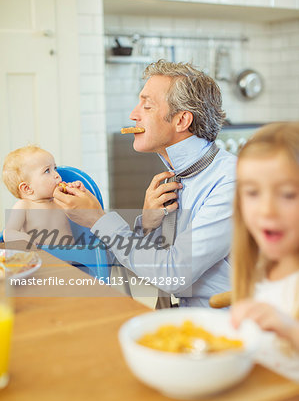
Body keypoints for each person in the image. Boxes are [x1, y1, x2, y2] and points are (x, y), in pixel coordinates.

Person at [54, 60, 237, 307]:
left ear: (182, 121)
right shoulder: (173, 177)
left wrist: (97, 220)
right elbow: (150, 269)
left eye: (147, 105)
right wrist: (148, 225)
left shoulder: (231, 181)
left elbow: (174, 275)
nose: (133, 115)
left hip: (224, 327)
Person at [230, 122, 299, 380]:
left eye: (288, 195)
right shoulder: (260, 270)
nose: (267, 209)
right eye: (252, 193)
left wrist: (291, 330)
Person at [2, 145, 84, 245]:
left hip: (73, 258)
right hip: (41, 259)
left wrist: (77, 191)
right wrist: (27, 239)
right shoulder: (24, 206)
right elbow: (8, 233)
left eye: (55, 168)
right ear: (27, 188)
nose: (57, 175)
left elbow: (83, 213)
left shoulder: (60, 199)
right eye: (47, 171)